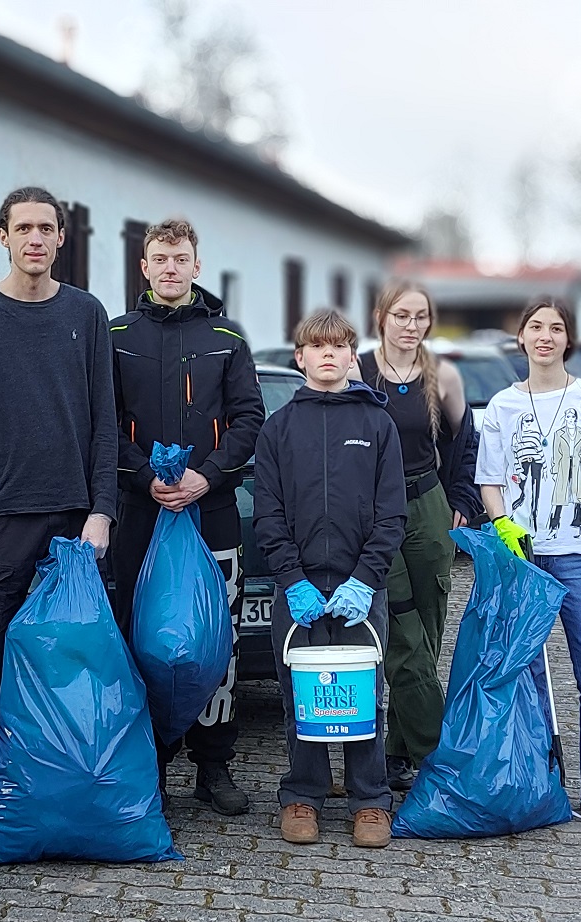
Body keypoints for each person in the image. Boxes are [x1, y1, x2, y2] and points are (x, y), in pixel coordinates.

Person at [0, 186, 119, 860]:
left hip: (73, 523)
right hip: (2, 520)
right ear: (2, 236)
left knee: (72, 666)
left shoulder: (87, 315)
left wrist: (101, 512)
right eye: (23, 228)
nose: (35, 239)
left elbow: (104, 424)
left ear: (62, 238)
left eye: (47, 228)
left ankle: (64, 794)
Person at [106, 217, 265, 816]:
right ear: (144, 268)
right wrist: (146, 477)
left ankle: (214, 763)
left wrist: (209, 474)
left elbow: (250, 418)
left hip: (213, 510)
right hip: (138, 515)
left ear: (197, 267)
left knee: (213, 640)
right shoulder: (116, 334)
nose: (170, 268)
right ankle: (148, 761)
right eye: (159, 259)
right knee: (138, 636)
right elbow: (104, 422)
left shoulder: (227, 337)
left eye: (181, 258)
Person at [475, 298, 581, 830]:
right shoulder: (501, 406)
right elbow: (490, 480)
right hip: (524, 559)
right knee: (530, 676)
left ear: (570, 340)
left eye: (557, 328)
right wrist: (502, 525)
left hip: (579, 555)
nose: (545, 336)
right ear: (520, 338)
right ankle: (543, 785)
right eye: (536, 327)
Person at [253, 308, 408, 848]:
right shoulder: (278, 429)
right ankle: (303, 795)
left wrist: (366, 578)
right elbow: (268, 515)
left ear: (350, 357)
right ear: (299, 358)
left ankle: (370, 800)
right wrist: (290, 578)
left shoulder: (377, 425)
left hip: (360, 589)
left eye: (338, 347)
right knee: (302, 692)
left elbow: (393, 514)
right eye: (316, 347)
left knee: (365, 691)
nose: (327, 355)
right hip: (297, 591)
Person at [358, 282, 483, 791]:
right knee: (400, 629)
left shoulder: (443, 376)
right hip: (374, 511)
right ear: (381, 317)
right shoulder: (358, 371)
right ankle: (437, 756)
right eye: (401, 315)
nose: (411, 326)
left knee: (429, 626)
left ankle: (394, 752)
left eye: (421, 317)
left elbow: (467, 445)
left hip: (428, 506)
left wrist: (462, 502)